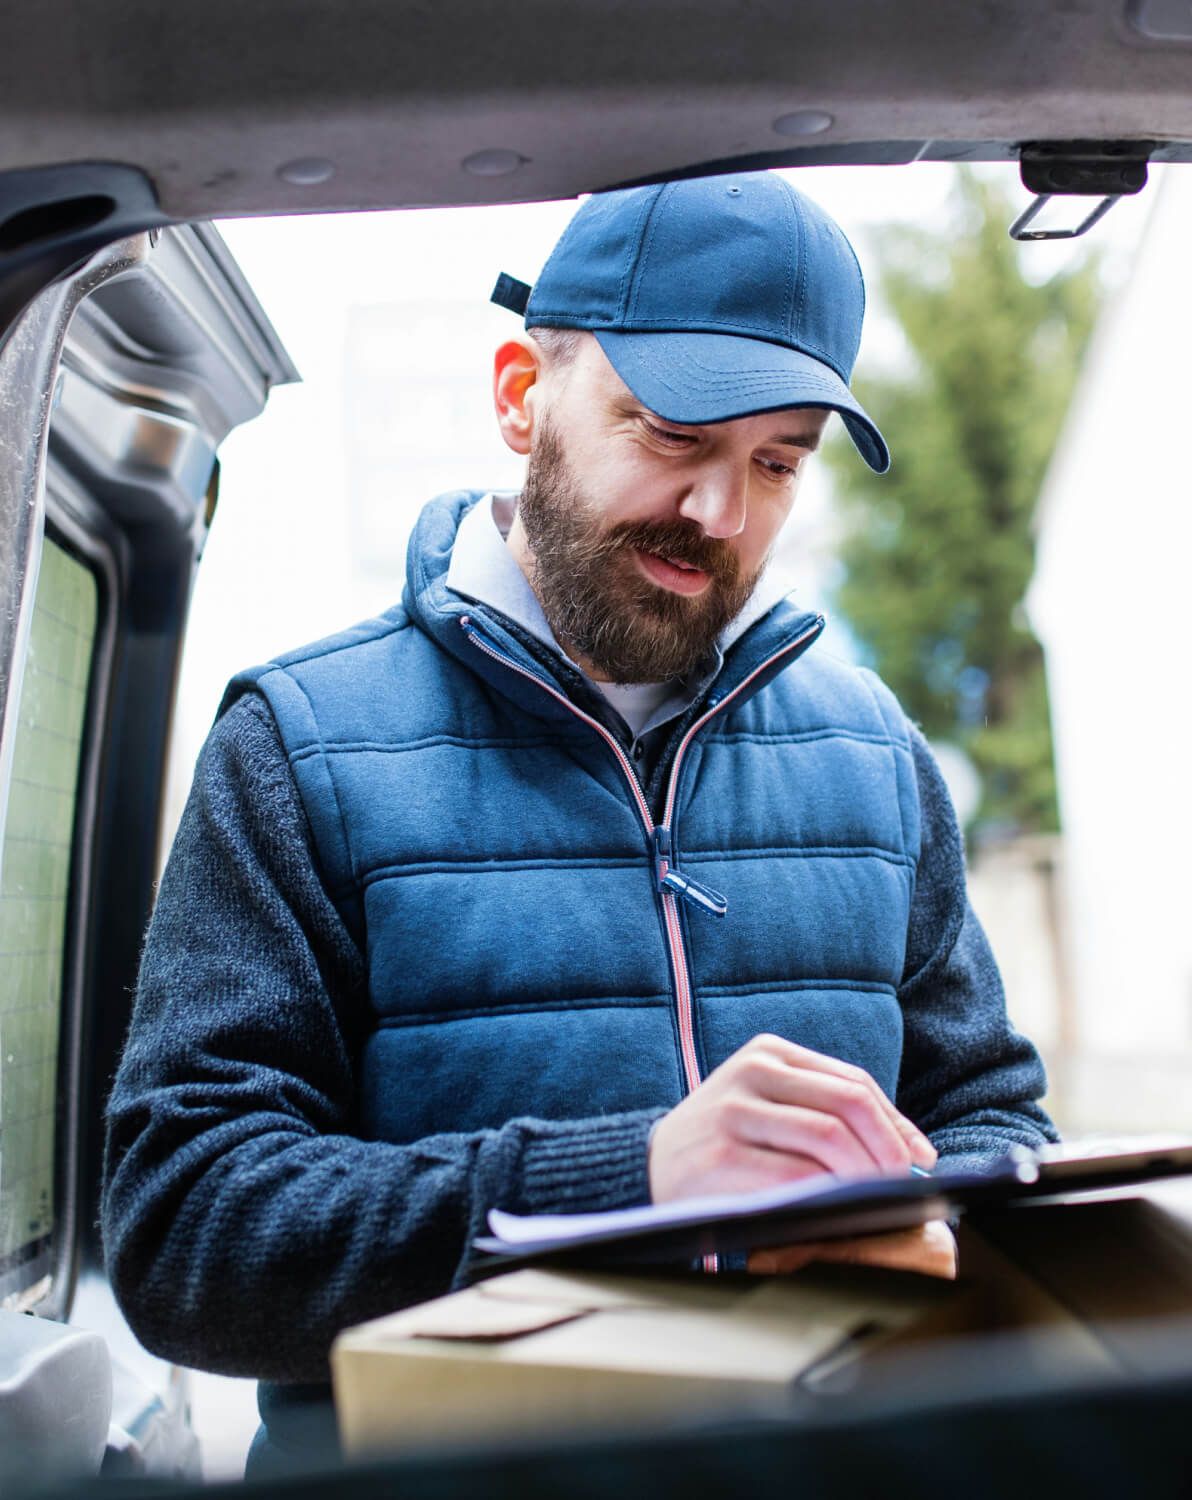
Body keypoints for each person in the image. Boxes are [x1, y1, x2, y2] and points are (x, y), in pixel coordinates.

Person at [101, 172, 1056, 1463]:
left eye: (776, 462)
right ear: (518, 396)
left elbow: (994, 1117)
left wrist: (935, 1215)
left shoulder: (873, 753)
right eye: (671, 436)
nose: (721, 514)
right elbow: (184, 1230)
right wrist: (631, 1180)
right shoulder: (299, 745)